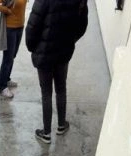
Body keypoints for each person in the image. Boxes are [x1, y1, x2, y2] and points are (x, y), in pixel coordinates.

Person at [25, 0, 88, 143]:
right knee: (61, 89)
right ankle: (61, 125)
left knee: (46, 93)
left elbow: (32, 28)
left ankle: (46, 133)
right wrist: (70, 41)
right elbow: (81, 26)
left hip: (44, 54)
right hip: (63, 52)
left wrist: (33, 47)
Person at [0, 0, 28, 99]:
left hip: (20, 27)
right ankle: (2, 87)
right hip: (10, 28)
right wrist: (5, 10)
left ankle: (6, 79)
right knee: (8, 58)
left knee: (13, 55)